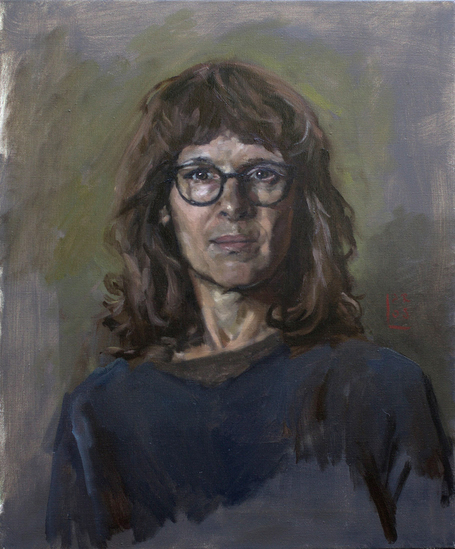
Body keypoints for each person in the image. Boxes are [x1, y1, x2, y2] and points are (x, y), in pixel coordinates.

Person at [46, 61, 453, 549]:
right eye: (200, 174)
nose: (233, 205)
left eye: (262, 173)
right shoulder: (99, 413)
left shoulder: (384, 390)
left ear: (301, 202)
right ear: (162, 206)